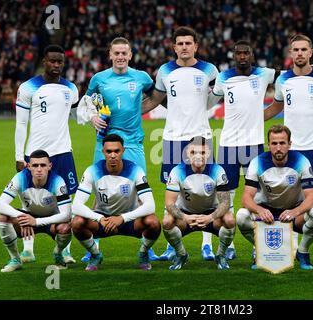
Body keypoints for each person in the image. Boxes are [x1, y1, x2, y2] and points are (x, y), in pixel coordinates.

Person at [141, 26, 233, 261]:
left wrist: (202, 106)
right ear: (174, 47)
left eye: (188, 43)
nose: (184, 47)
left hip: (201, 136)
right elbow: (157, 98)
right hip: (172, 137)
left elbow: (217, 94)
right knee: (172, 189)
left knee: (207, 189)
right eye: (180, 43)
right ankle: (173, 244)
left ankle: (207, 245)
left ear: (195, 46)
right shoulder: (164, 70)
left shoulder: (209, 69)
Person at [78, 37, 159, 262]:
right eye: (117, 53)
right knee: (99, 191)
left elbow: (156, 97)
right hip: (104, 143)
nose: (121, 57)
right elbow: (86, 104)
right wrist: (93, 117)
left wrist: (141, 110)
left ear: (130, 55)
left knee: (141, 193)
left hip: (133, 143)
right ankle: (93, 245)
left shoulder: (142, 77)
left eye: (125, 53)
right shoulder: (98, 78)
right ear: (110, 55)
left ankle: (147, 246)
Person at [264, 34, 313, 262]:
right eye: (296, 50)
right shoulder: (283, 80)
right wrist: (253, 118)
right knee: (290, 194)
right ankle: (292, 245)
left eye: (304, 49)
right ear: (290, 53)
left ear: (311, 52)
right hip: (290, 148)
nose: (300, 53)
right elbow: (277, 105)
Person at [14, 45, 77, 265]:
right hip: (36, 154)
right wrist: (20, 156)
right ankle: (28, 249)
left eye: (60, 61)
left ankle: (65, 250)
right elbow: (21, 123)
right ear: (44, 61)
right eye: (52, 61)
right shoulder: (28, 87)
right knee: (30, 201)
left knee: (66, 203)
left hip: (63, 153)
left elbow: (79, 114)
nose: (56, 65)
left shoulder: (71, 88)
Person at [237, 124, 313, 270]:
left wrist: (295, 212)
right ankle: (259, 250)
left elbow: (311, 197)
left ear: (289, 144)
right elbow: (246, 197)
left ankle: (302, 252)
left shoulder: (301, 161)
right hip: (266, 212)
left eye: (282, 143)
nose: (278, 148)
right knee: (241, 216)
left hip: (294, 211)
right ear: (268, 145)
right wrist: (260, 210)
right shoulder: (257, 162)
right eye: (274, 143)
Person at [71, 134, 161, 271]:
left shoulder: (135, 170)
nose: (113, 155)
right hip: (103, 220)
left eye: (116, 151)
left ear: (123, 151)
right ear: (103, 152)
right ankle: (95, 254)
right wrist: (99, 218)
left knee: (153, 222)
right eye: (109, 151)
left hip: (130, 219)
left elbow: (150, 205)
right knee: (77, 222)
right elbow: (76, 205)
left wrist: (122, 218)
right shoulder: (92, 171)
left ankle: (143, 253)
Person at [163, 136, 235, 270]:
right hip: (185, 215)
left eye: (202, 153)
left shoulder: (218, 171)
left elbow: (225, 203)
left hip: (211, 214)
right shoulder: (177, 171)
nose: (198, 156)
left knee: (230, 220)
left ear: (208, 153)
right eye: (193, 152)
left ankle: (220, 255)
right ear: (187, 153)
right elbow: (169, 203)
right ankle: (181, 254)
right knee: (167, 222)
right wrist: (185, 217)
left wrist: (210, 217)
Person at [0, 150, 72, 272]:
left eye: (43, 165)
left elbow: (67, 215)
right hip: (29, 217)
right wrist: (23, 217)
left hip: (52, 219)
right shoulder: (20, 178)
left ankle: (58, 253)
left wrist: (36, 222)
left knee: (66, 228)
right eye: (35, 165)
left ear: (49, 166)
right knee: (3, 217)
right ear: (29, 166)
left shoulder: (58, 181)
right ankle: (15, 259)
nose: (39, 169)